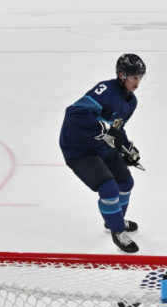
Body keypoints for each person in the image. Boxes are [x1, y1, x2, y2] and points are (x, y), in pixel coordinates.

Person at [59, 53, 146, 254]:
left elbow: (116, 128)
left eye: (140, 77)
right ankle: (118, 231)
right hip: (78, 149)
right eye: (134, 77)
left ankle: (114, 221)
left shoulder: (131, 101)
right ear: (121, 75)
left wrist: (126, 147)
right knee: (108, 188)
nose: (137, 82)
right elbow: (74, 113)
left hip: (101, 146)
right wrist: (102, 127)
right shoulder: (105, 90)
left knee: (126, 183)